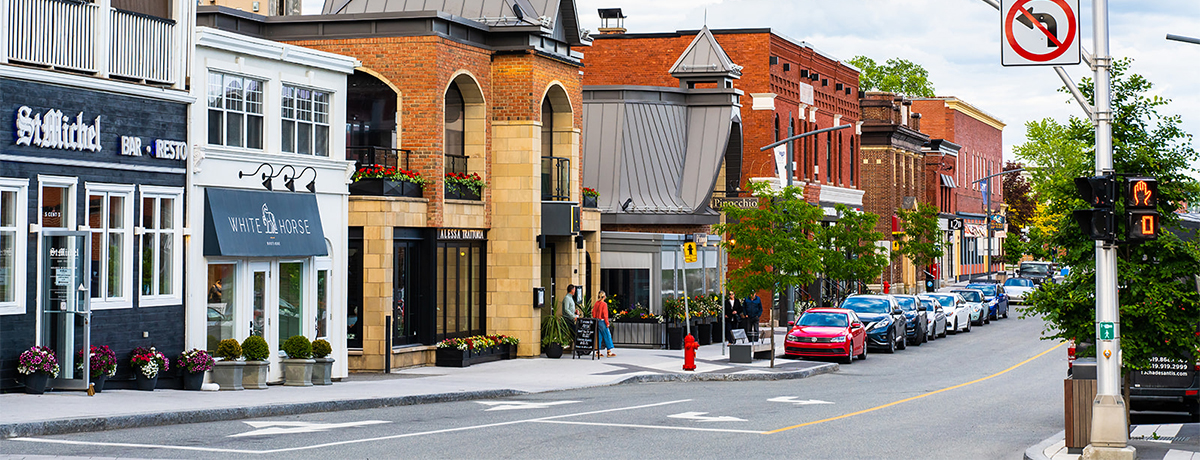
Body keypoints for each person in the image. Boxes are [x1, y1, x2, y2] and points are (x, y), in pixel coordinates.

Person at [593, 290, 614, 357]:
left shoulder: (596, 303)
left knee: (599, 336)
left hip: (596, 321)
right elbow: (605, 315)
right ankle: (609, 351)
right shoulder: (604, 304)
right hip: (602, 321)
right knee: (607, 335)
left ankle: (597, 351)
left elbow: (593, 312)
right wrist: (607, 323)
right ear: (604, 296)